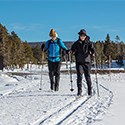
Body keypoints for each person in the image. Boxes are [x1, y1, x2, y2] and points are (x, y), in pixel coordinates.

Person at [71, 29, 95, 96]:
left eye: (83, 35)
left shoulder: (89, 43)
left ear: (85, 36)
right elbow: (72, 50)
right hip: (79, 62)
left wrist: (93, 52)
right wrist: (71, 52)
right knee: (79, 76)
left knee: (87, 76)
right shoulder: (76, 43)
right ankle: (79, 91)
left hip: (87, 62)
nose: (82, 37)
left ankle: (90, 90)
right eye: (81, 35)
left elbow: (92, 49)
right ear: (79, 36)